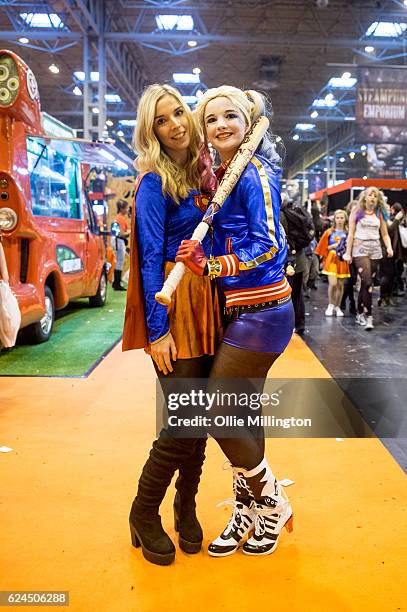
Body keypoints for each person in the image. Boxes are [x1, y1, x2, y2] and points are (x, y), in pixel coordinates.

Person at [176, 86, 294, 557]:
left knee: (216, 411)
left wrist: (215, 265)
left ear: (247, 123)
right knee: (241, 413)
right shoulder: (225, 172)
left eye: (231, 116)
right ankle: (250, 511)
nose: (221, 125)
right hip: (238, 308)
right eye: (212, 119)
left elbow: (271, 247)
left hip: (263, 311)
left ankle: (272, 502)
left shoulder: (256, 173)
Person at [122, 84, 222, 566]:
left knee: (198, 419)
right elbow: (147, 260)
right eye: (162, 120)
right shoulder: (152, 184)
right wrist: (157, 331)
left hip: (209, 302)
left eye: (178, 112)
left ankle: (186, 505)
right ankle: (143, 511)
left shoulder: (206, 174)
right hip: (173, 302)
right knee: (183, 422)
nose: (176, 124)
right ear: (152, 131)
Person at [344, 187, 393, 330]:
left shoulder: (379, 213)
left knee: (366, 284)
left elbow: (384, 234)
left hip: (375, 249)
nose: (372, 198)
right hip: (360, 249)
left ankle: (360, 312)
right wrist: (348, 253)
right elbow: (351, 234)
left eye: (375, 196)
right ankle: (368, 316)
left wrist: (389, 247)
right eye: (370, 195)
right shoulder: (357, 212)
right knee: (368, 283)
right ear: (364, 197)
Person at [315, 209, 350, 317]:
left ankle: (337, 306)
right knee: (333, 283)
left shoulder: (348, 232)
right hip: (331, 258)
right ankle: (330, 304)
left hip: (343, 259)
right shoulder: (329, 232)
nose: (339, 220)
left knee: (340, 285)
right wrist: (334, 246)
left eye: (341, 218)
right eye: (337, 218)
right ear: (334, 219)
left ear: (345, 219)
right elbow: (322, 247)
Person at [111, 199, 131, 291]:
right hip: (118, 241)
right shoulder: (120, 218)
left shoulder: (119, 217)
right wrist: (129, 232)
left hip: (118, 241)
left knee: (119, 261)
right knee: (119, 261)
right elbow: (121, 233)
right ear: (122, 208)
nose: (127, 210)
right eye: (126, 208)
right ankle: (117, 283)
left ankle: (116, 282)